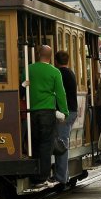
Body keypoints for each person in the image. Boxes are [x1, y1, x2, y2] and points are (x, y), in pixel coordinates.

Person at [27, 45, 69, 183]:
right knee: (46, 145)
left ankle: (33, 173)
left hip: (31, 112)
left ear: (38, 54)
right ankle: (42, 177)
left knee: (33, 143)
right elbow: (61, 94)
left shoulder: (29, 69)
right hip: (47, 112)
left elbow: (23, 86)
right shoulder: (54, 71)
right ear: (50, 57)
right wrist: (64, 112)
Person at [54, 50, 78, 187]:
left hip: (65, 113)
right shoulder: (71, 73)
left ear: (56, 62)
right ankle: (64, 176)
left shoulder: (59, 74)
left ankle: (61, 179)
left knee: (62, 145)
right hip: (72, 111)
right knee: (62, 143)